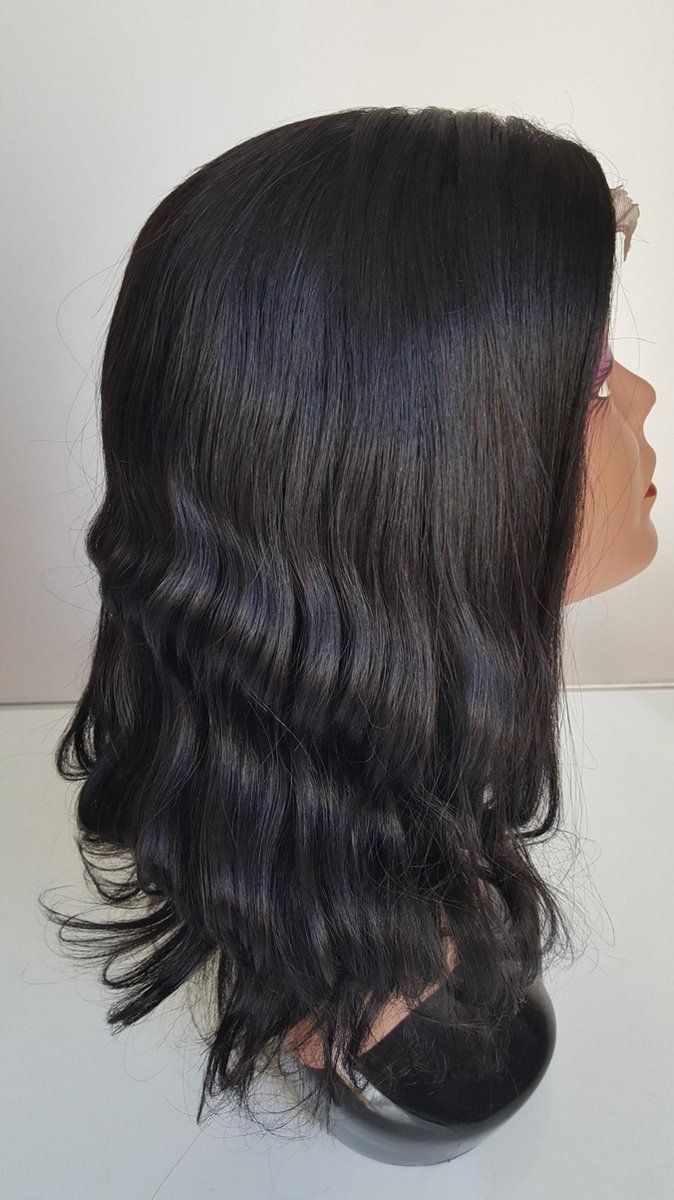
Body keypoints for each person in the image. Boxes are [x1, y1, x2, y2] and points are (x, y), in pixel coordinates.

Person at [39, 107, 657, 1165]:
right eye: (592, 382)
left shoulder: (394, 783)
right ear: (413, 490)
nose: (642, 396)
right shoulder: (403, 1019)